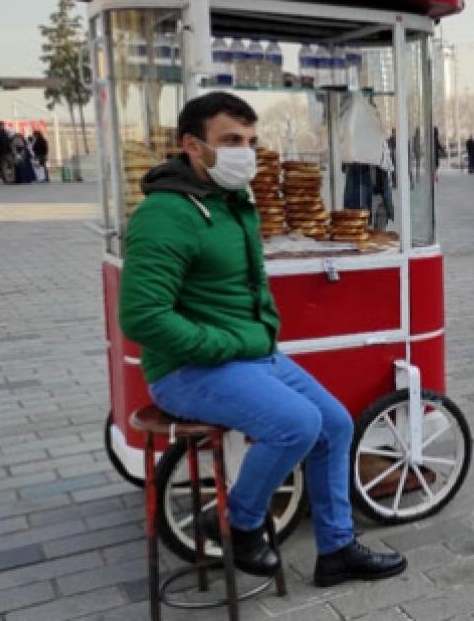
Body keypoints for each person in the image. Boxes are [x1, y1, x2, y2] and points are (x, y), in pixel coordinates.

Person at [118, 92, 406, 587]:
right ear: (192, 146)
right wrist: (224, 345)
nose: (245, 152)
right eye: (231, 140)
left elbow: (249, 284)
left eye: (251, 141)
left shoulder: (233, 202)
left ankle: (336, 550)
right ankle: (238, 523)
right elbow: (142, 316)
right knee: (297, 422)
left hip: (251, 353)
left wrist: (260, 333)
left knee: (335, 424)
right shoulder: (166, 214)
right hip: (188, 369)